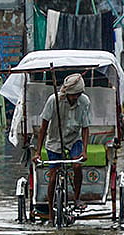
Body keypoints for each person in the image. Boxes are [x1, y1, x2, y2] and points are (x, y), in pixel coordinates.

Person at [33, 72, 92, 214]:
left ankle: (77, 198)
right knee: (53, 175)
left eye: (77, 95)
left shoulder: (84, 102)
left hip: (74, 140)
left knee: (77, 165)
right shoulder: (53, 100)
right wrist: (37, 152)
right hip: (54, 141)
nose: (74, 98)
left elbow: (85, 128)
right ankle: (50, 209)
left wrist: (84, 151)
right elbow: (43, 127)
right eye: (72, 95)